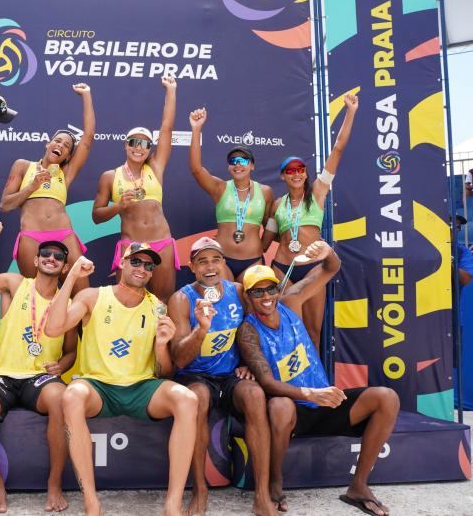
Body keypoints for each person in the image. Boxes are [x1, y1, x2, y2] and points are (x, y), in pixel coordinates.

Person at [236, 242, 399, 516]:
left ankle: (358, 486)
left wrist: (328, 254)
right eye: (257, 291)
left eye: (271, 288)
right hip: (294, 411)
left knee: (387, 397)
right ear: (248, 298)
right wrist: (309, 394)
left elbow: (330, 269)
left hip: (323, 404)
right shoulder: (248, 331)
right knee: (279, 405)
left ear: (278, 289)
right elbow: (266, 383)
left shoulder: (290, 301)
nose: (266, 296)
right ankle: (275, 482)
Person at [45, 244, 198, 516]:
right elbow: (53, 328)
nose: (142, 269)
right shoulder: (93, 296)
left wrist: (162, 345)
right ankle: (92, 504)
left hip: (141, 388)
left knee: (187, 398)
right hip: (99, 387)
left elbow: (164, 373)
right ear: (121, 263)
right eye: (136, 262)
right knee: (71, 395)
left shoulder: (157, 308)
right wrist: (71, 277)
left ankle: (172, 505)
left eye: (148, 265)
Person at [0, 218, 78, 513]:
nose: (52, 258)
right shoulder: (15, 284)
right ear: (36, 260)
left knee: (62, 398)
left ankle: (54, 484)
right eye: (46, 254)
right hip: (1, 373)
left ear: (65, 267)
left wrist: (62, 365)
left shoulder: (69, 301)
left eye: (59, 256)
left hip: (38, 377)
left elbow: (71, 351)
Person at [168, 237, 277, 516]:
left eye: (215, 260)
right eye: (202, 261)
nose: (210, 267)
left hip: (229, 375)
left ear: (224, 264)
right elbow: (179, 358)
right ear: (192, 267)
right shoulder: (181, 299)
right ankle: (200, 490)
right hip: (195, 375)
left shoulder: (238, 291)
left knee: (254, 395)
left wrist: (247, 362)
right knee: (198, 397)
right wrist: (201, 329)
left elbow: (253, 331)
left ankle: (262, 496)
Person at [262, 93, 358, 351]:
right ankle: (292, 383)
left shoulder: (317, 193)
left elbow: (338, 148)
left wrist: (350, 112)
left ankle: (314, 387)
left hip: (314, 267)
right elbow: (263, 245)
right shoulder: (276, 204)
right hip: (284, 268)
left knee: (314, 331)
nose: (297, 173)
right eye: (290, 170)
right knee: (291, 328)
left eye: (300, 169)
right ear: (283, 176)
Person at [0, 83, 94, 293]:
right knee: (34, 297)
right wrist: (31, 187)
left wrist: (86, 96)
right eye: (57, 141)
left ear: (68, 156)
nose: (60, 145)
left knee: (81, 294)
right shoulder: (23, 166)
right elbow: (5, 205)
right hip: (31, 236)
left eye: (66, 146)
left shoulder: (65, 173)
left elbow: (87, 138)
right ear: (47, 144)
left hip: (64, 235)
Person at [92, 76, 178, 302]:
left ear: (150, 148)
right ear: (125, 145)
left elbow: (167, 128)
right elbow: (96, 217)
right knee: (126, 301)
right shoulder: (110, 176)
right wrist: (119, 206)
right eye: (134, 142)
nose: (139, 148)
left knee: (162, 302)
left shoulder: (156, 167)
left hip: (162, 243)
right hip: (131, 246)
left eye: (145, 144)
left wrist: (171, 90)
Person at [187, 107, 274, 281]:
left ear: (252, 165)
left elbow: (270, 222)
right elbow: (196, 169)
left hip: (253, 260)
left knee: (250, 306)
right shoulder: (220, 188)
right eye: (233, 161)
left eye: (243, 160)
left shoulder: (265, 192)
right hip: (223, 261)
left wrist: (263, 246)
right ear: (228, 166)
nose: (238, 165)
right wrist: (196, 129)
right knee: (223, 305)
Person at [454, 211, 472, 286]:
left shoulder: (462, 250)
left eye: (458, 227)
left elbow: (466, 280)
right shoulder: (423, 244)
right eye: (451, 225)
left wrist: (449, 264)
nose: (455, 230)